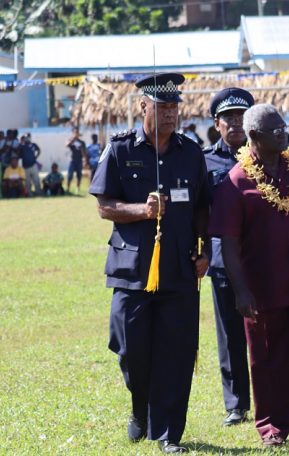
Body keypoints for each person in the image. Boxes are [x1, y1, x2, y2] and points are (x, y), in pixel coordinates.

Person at [89, 73, 211, 455]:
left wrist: (204, 250)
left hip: (178, 270)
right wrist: (141, 210)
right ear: (143, 106)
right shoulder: (121, 149)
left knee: (175, 353)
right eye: (163, 107)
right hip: (132, 272)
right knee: (131, 351)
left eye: (176, 107)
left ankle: (168, 434)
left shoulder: (191, 153)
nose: (172, 114)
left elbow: (203, 207)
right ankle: (139, 409)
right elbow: (103, 205)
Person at [208, 104, 289, 450]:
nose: (285, 134)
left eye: (284, 127)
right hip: (263, 288)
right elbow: (229, 243)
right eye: (276, 130)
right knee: (268, 358)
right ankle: (272, 427)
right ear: (254, 137)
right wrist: (240, 292)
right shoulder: (236, 181)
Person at [203, 88, 255, 427]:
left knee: (272, 332)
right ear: (217, 125)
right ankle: (236, 403)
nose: (235, 124)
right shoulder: (204, 162)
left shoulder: (269, 156)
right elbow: (198, 212)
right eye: (229, 119)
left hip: (264, 258)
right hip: (223, 260)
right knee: (231, 334)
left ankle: (274, 395)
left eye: (241, 118)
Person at [66, 126, 86, 194]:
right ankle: (68, 189)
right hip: (71, 160)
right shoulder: (70, 140)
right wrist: (73, 139)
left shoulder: (81, 142)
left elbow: (84, 151)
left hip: (79, 160)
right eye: (75, 132)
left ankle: (77, 189)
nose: (76, 133)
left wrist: (85, 159)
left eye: (77, 132)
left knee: (79, 175)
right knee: (69, 175)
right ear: (72, 133)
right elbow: (67, 145)